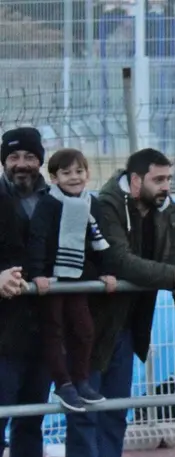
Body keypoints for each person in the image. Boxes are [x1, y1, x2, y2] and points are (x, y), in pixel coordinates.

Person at [72, 148, 175, 457]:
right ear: (135, 181)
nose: (166, 186)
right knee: (86, 412)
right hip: (91, 325)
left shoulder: (166, 208)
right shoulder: (106, 205)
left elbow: (174, 251)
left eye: (167, 179)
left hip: (128, 326)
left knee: (116, 411)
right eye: (158, 179)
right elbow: (118, 259)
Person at [26, 148, 116, 412]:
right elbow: (38, 238)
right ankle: (63, 384)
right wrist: (37, 274)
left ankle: (81, 379)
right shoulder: (48, 203)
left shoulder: (91, 203)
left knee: (84, 329)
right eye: (66, 173)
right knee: (53, 330)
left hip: (77, 276)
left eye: (79, 171)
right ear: (54, 178)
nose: (74, 177)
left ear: (87, 174)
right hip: (52, 278)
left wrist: (105, 271)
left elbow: (98, 242)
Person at [0, 127, 51, 457]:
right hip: (2, 337)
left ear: (40, 160)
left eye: (29, 157)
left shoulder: (57, 199)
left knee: (31, 423)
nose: (22, 165)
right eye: (14, 157)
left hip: (43, 332)